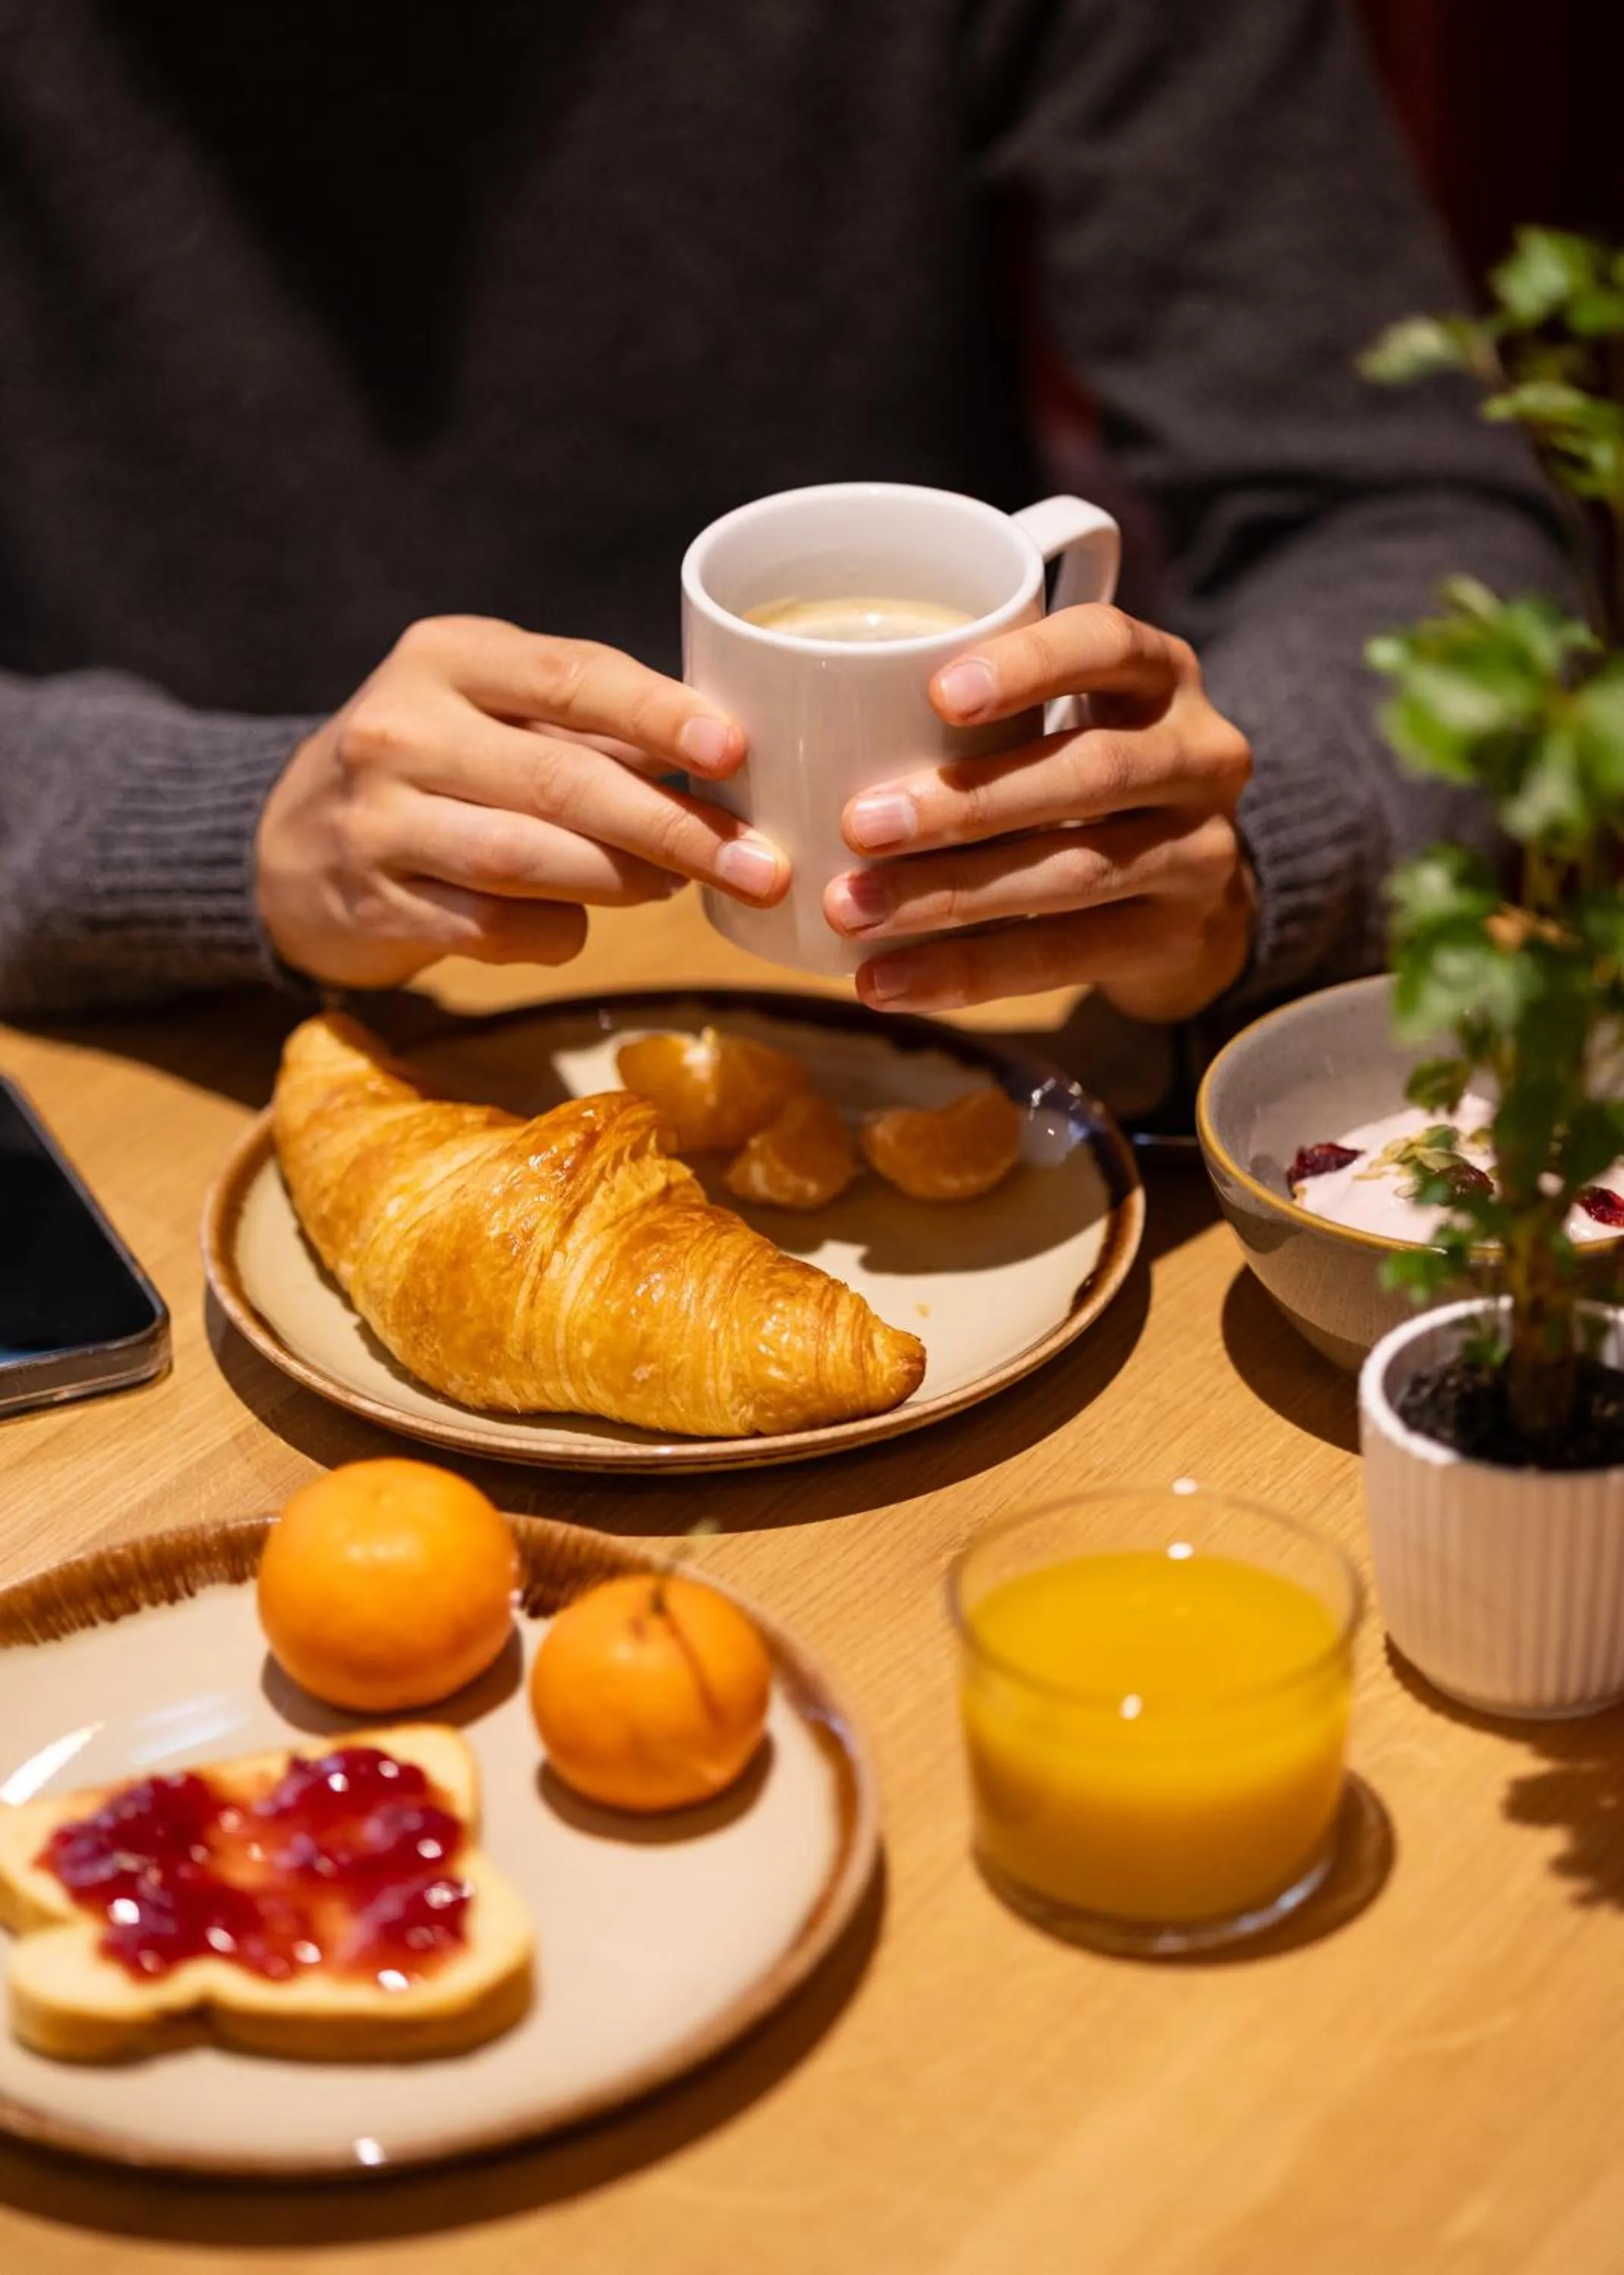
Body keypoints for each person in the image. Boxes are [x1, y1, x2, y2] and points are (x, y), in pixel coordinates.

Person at [0, 1, 1565, 1031]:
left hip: (958, 1032)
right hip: (160, 1065)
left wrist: (1238, 853)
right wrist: (231, 830)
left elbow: (1422, 528)